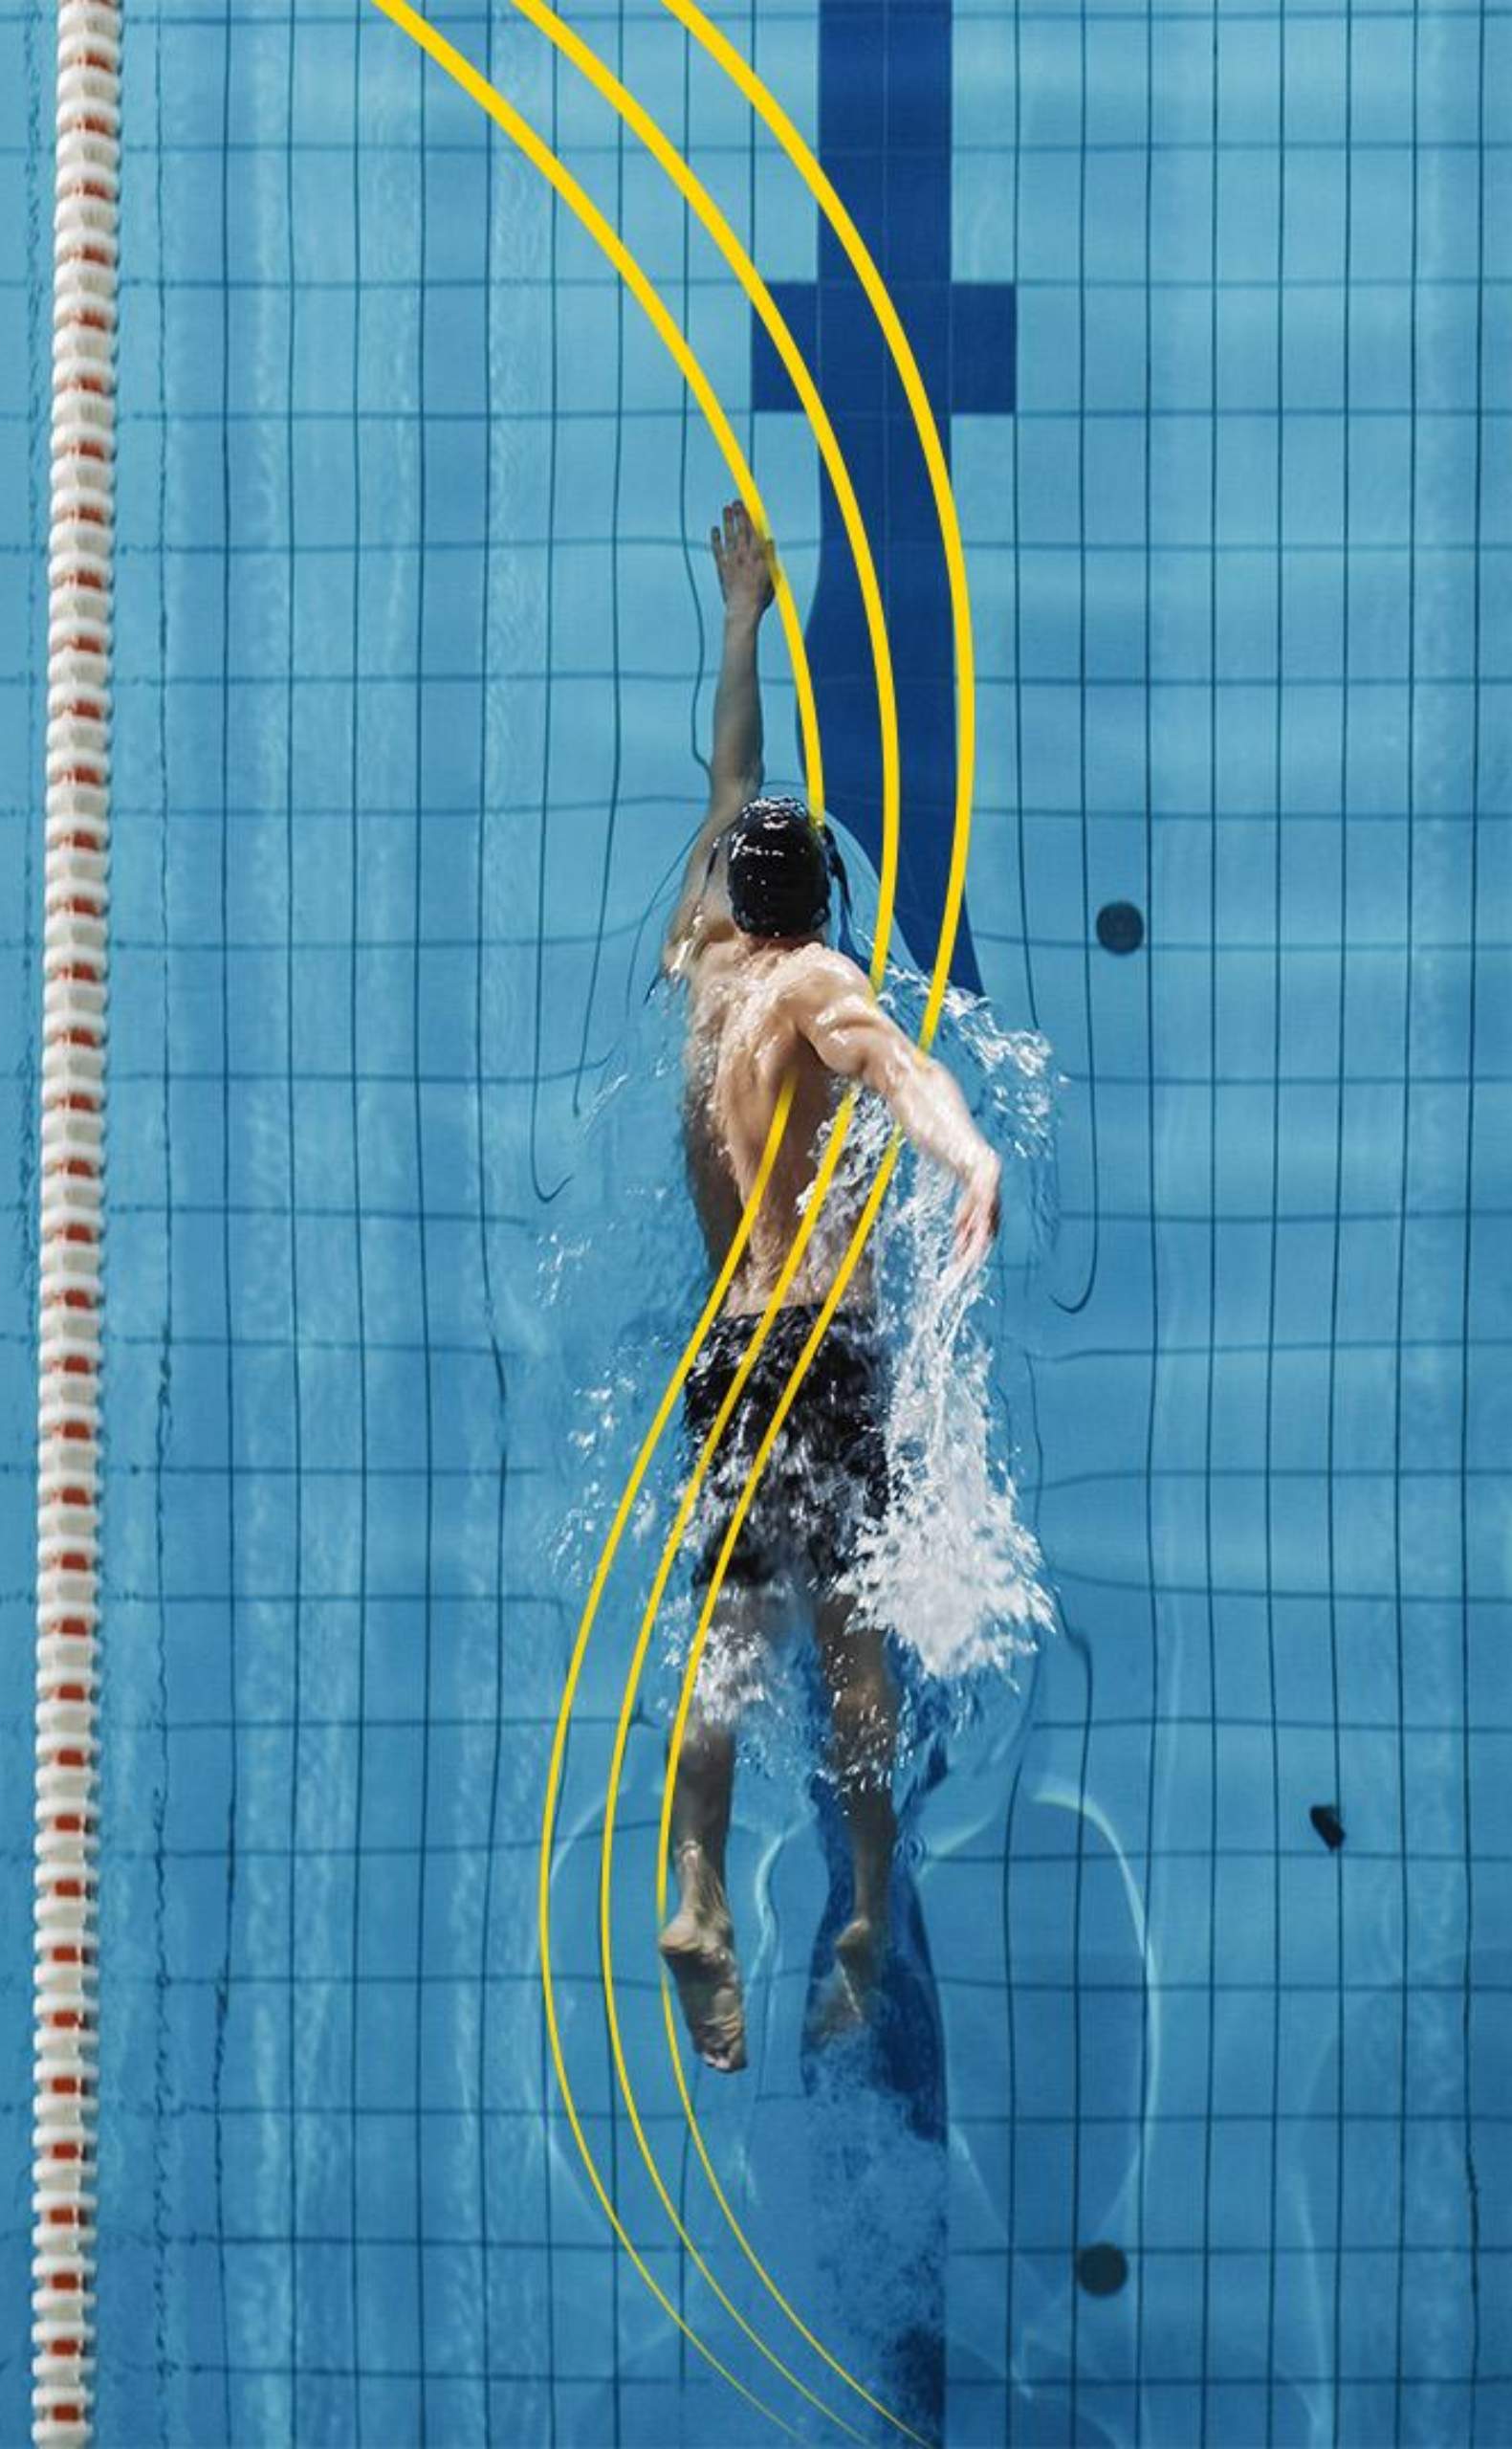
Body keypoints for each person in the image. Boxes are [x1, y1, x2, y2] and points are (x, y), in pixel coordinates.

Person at [651, 501, 1003, 2073]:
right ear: (825, 911)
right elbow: (901, 1066)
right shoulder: (816, 982)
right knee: (853, 1645)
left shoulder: (707, 965)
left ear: (731, 896)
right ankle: (864, 1904)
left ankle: (697, 1893)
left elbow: (729, 789)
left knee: (725, 1640)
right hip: (822, 1349)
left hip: (728, 1351)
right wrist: (967, 1153)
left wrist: (742, 619)